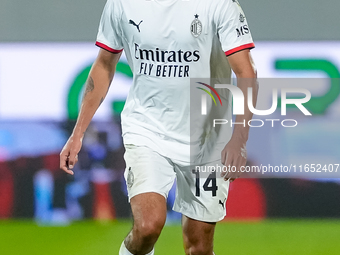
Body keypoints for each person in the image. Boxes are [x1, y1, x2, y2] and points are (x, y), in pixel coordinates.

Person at [60, 0, 258, 254]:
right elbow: (104, 64)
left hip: (207, 138)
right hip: (147, 129)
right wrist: (78, 134)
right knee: (147, 226)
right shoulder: (122, 4)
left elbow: (246, 73)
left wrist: (239, 138)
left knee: (198, 246)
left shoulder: (219, 5)